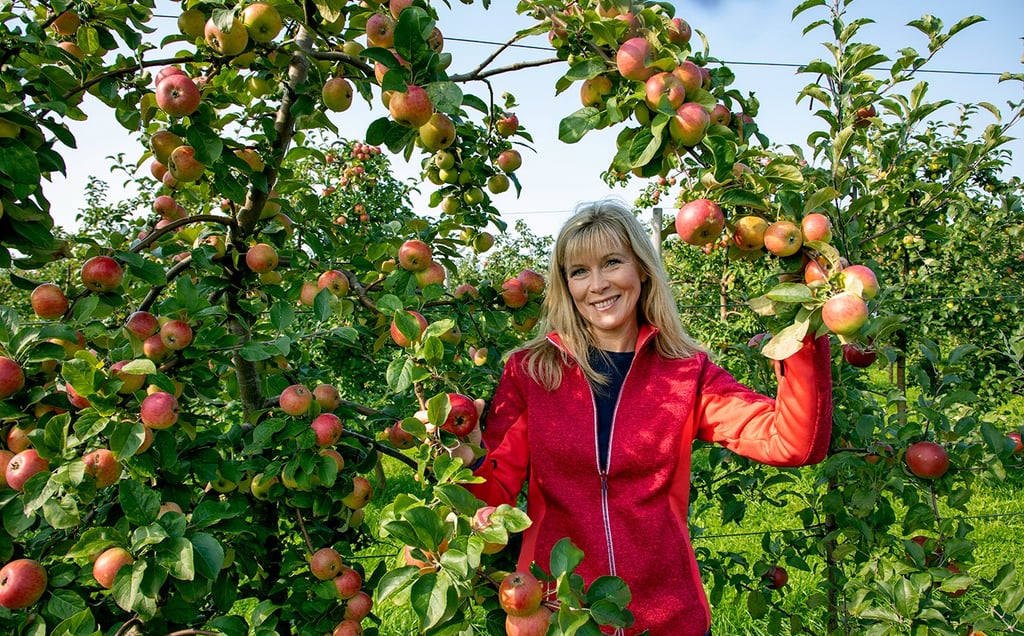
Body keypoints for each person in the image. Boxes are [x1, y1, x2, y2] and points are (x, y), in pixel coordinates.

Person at [466, 198, 833, 636]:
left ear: (641, 269)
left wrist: (803, 332)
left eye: (612, 263)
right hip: (558, 615)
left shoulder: (685, 372)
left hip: (667, 616)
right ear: (566, 284)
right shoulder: (532, 371)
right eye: (579, 271)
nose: (597, 284)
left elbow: (790, 442)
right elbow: (492, 494)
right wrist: (468, 460)